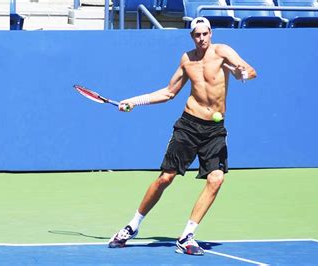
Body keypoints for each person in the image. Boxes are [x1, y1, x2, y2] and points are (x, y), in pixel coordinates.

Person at [108, 17, 257, 256]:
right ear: (192, 37)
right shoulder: (187, 60)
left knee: (216, 179)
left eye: (205, 34)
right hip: (188, 126)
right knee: (166, 178)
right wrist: (134, 101)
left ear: (211, 33)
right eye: (197, 35)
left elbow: (250, 71)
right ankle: (132, 226)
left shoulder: (223, 51)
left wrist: (242, 75)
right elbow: (169, 92)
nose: (202, 38)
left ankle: (187, 235)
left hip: (214, 131)